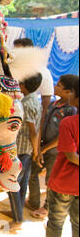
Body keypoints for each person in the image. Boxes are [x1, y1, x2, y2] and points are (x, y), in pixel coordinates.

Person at [28, 75, 78, 219]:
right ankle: (33, 201)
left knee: (51, 179)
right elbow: (42, 123)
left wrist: (44, 149)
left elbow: (61, 137)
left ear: (69, 92)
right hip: (43, 146)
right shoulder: (53, 104)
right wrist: (38, 148)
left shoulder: (71, 111)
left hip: (55, 150)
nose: (55, 87)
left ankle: (47, 207)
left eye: (59, 86)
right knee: (33, 173)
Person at [1, 72, 43, 231]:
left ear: (23, 85)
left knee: (12, 185)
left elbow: (33, 131)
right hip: (27, 149)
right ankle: (16, 213)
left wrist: (35, 151)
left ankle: (18, 220)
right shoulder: (32, 99)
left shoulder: (26, 104)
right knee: (21, 184)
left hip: (22, 150)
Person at [43, 75, 79, 237]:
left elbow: (71, 156)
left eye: (72, 91)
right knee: (78, 224)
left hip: (65, 181)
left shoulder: (69, 123)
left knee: (56, 222)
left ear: (75, 96)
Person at [13, 38, 54, 161]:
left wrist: (36, 147)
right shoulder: (13, 67)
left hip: (25, 142)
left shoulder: (42, 72)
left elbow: (42, 113)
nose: (16, 53)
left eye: (19, 50)